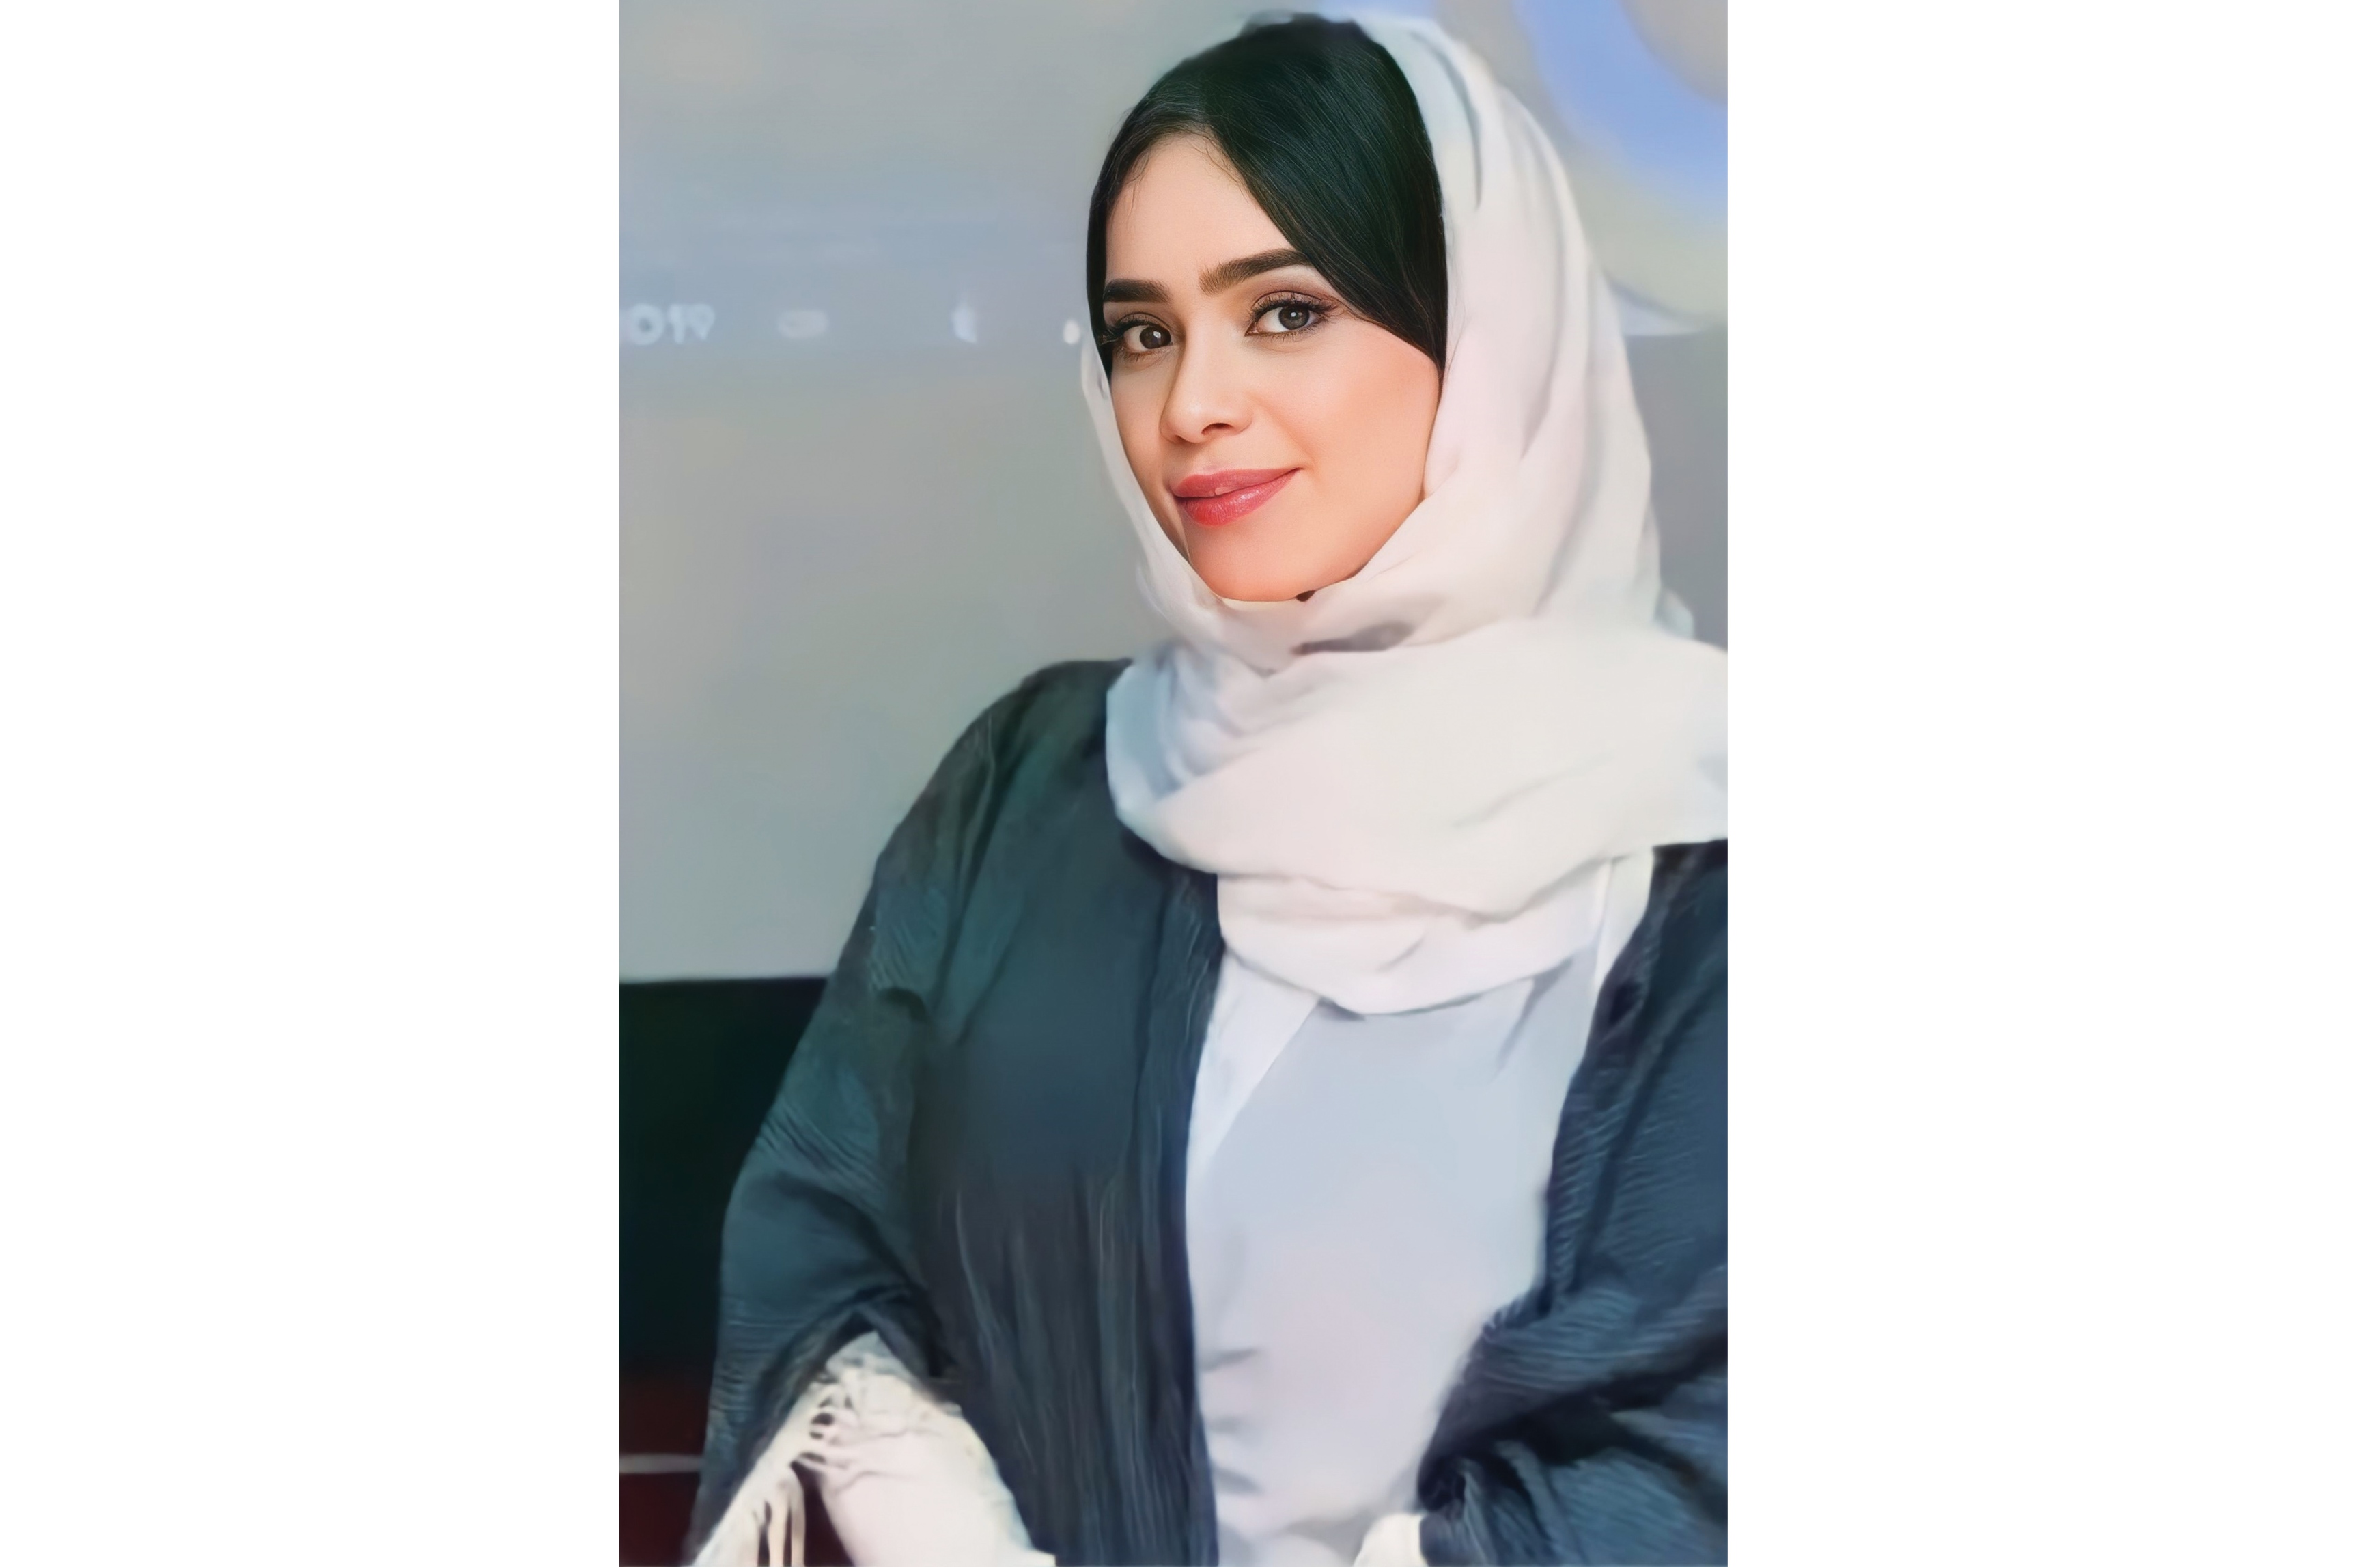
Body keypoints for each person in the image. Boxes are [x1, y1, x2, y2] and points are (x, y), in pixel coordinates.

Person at [688, 14, 1727, 1566]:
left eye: (1284, 312)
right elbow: (838, 1223)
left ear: (1486, 330)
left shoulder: (1707, 852)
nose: (1192, 406)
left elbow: (1702, 1431)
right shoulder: (1038, 793)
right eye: (1142, 333)